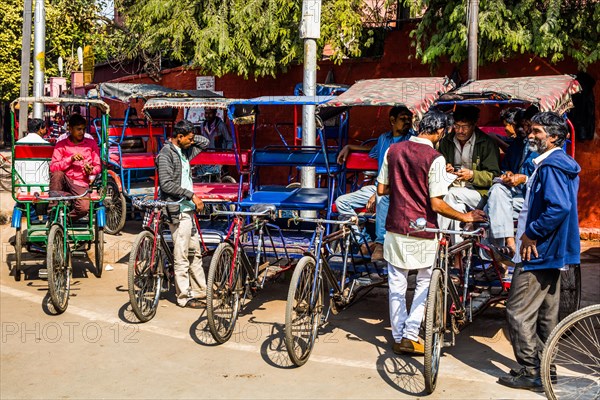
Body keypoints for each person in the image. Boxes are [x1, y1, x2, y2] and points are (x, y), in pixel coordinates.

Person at [377, 110, 487, 355]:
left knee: (397, 283)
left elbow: (382, 189)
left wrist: (405, 185)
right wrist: (465, 216)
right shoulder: (434, 157)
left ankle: (398, 335)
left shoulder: (392, 150)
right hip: (424, 228)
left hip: (395, 226)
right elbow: (436, 204)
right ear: (440, 132)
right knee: (424, 282)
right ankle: (410, 333)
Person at [498, 112, 581, 391]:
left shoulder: (551, 167)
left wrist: (532, 234)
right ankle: (547, 369)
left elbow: (558, 207)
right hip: (553, 250)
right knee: (546, 314)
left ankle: (531, 370)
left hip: (539, 250)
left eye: (536, 131)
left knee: (518, 311)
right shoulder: (557, 164)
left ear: (554, 137)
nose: (530, 136)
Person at [335, 106, 415, 260]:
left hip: (398, 190)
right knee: (341, 202)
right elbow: (371, 151)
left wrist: (377, 191)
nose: (407, 122)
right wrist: (349, 147)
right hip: (379, 186)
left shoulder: (412, 140)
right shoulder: (384, 139)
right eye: (403, 118)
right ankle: (364, 242)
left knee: (381, 197)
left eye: (409, 118)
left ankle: (381, 243)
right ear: (392, 120)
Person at [156, 120, 210, 309]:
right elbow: (166, 184)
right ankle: (184, 296)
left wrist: (191, 139)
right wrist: (192, 195)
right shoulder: (165, 154)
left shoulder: (185, 150)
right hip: (178, 210)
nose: (192, 141)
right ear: (178, 137)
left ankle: (201, 291)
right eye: (189, 138)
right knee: (182, 255)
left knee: (195, 253)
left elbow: (205, 143)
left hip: (189, 210)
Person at [437, 105, 501, 242]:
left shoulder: (486, 143)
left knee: (450, 194)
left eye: (465, 127)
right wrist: (445, 169)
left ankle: (437, 236)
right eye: (457, 126)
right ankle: (458, 255)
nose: (460, 131)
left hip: (479, 194)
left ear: (474, 125)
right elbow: (437, 167)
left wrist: (472, 175)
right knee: (456, 207)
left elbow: (494, 176)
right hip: (454, 191)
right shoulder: (446, 142)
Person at [484, 106, 538, 254]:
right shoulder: (518, 144)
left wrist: (524, 179)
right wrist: (507, 174)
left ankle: (498, 259)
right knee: (494, 195)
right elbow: (506, 166)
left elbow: (545, 180)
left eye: (530, 127)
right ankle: (508, 244)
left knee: (490, 210)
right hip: (514, 196)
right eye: (525, 125)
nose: (526, 130)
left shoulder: (545, 148)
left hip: (534, 199)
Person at [49, 113, 101, 220]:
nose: (82, 132)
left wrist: (91, 170)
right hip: (64, 180)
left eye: (83, 129)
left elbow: (98, 166)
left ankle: (66, 220)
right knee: (57, 174)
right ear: (70, 129)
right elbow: (53, 167)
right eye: (78, 129)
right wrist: (70, 159)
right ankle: (52, 214)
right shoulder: (61, 144)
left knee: (84, 208)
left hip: (80, 182)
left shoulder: (91, 143)